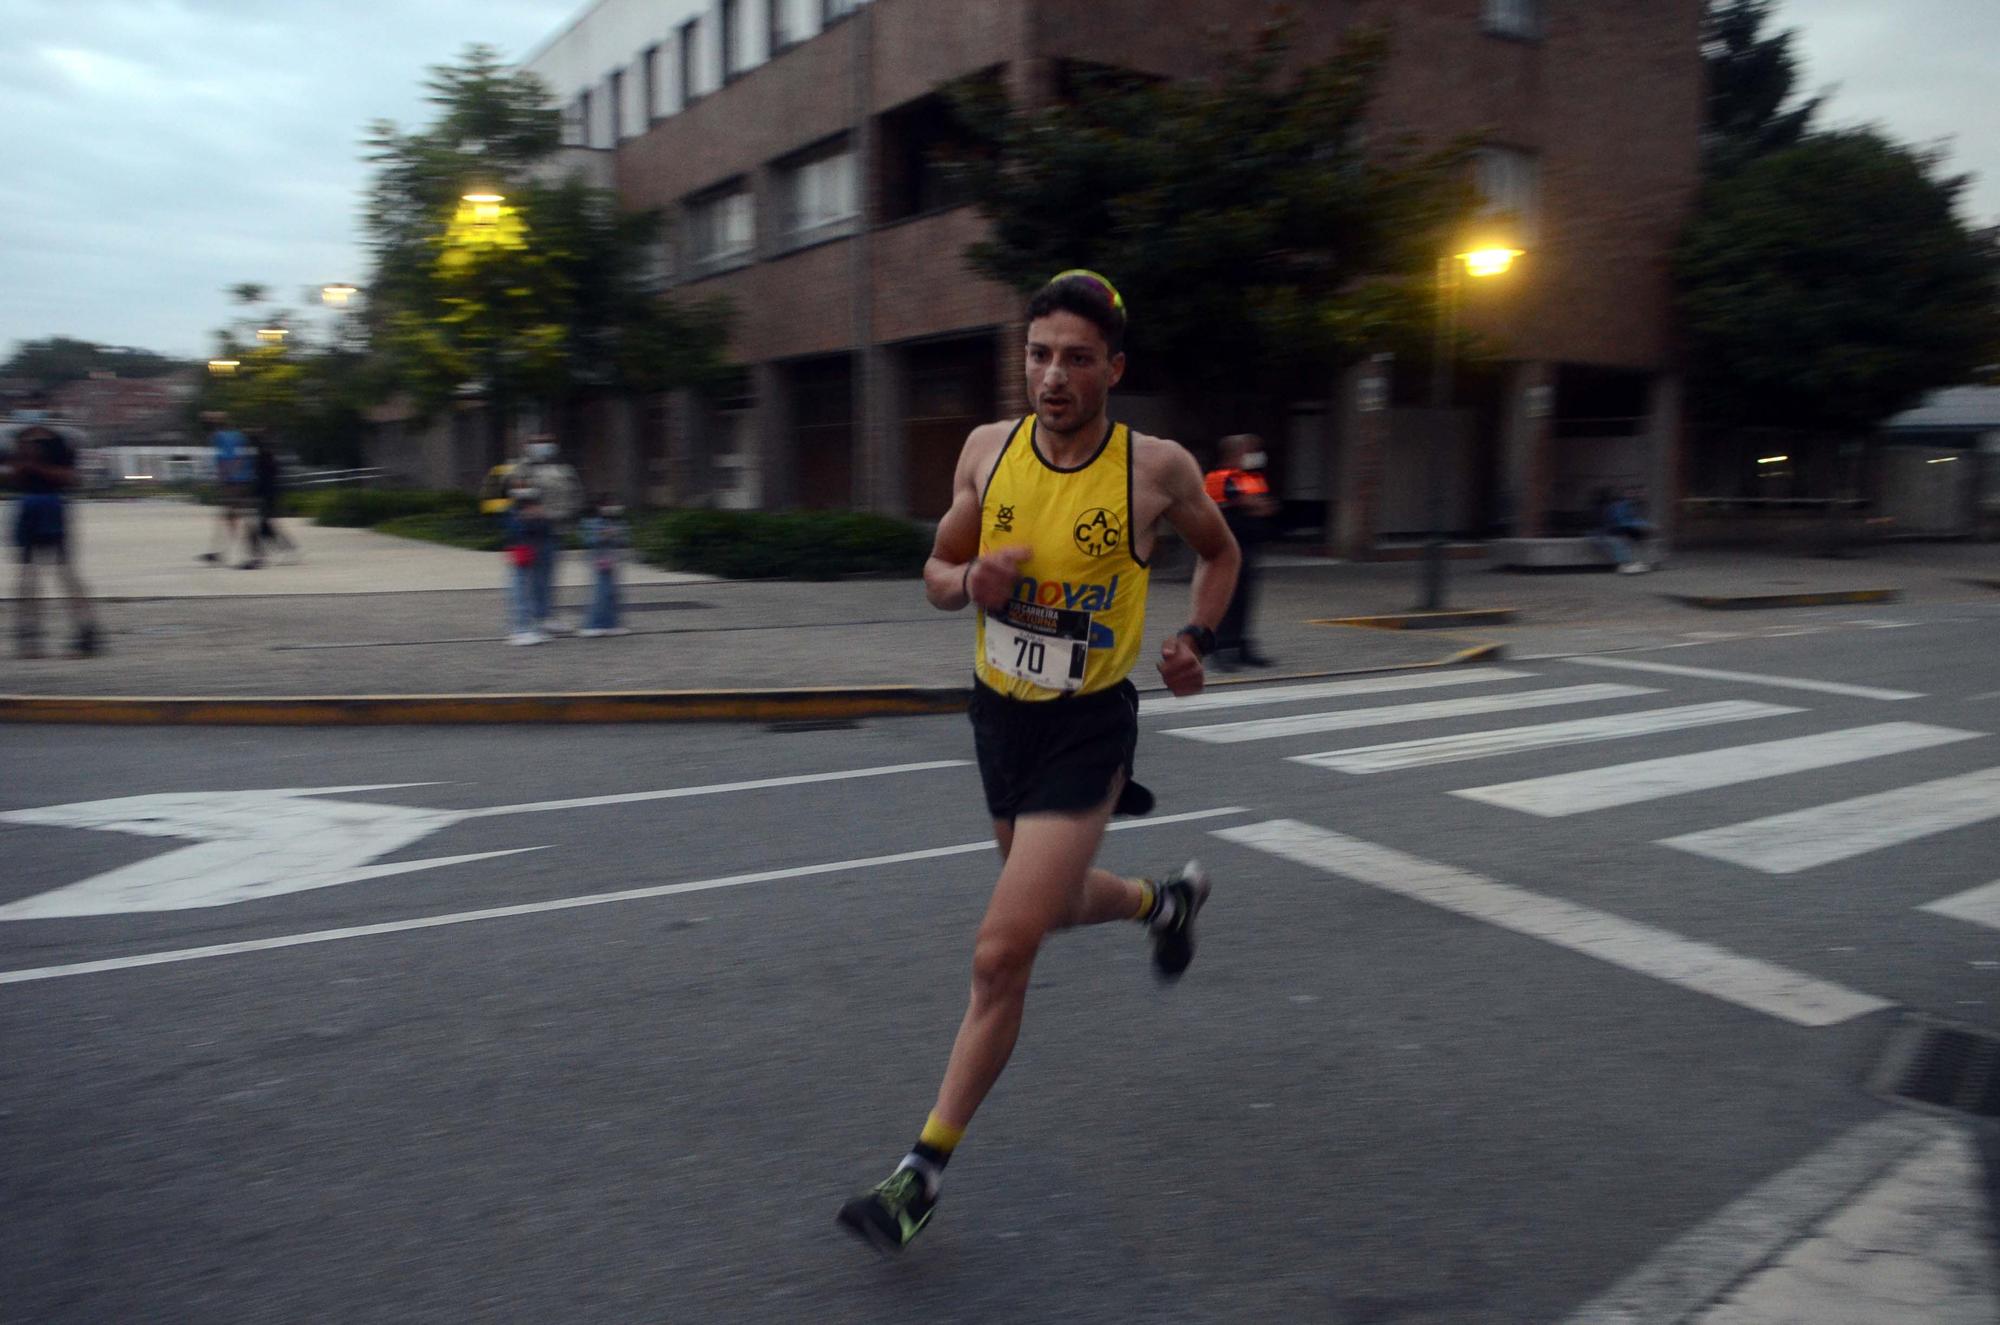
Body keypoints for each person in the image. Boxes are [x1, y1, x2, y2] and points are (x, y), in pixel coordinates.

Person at [836, 270, 1241, 1254]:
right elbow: (934, 574)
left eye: (1072, 357)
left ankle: (919, 1171)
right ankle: (1163, 902)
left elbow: (1220, 555)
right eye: (1037, 354)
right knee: (1050, 906)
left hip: (1086, 724)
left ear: (1113, 368)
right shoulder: (987, 450)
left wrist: (1194, 637)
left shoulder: (1156, 469)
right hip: (997, 719)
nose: (1050, 375)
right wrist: (964, 578)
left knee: (999, 951)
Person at [8, 423, 101, 658]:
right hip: (42, 505)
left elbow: (68, 478)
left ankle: (78, 631)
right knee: (37, 572)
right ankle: (36, 633)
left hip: (43, 505)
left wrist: (34, 466)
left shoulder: (54, 444)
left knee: (45, 572)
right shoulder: (53, 441)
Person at [1204, 433, 1280, 667]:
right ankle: (1217, 651)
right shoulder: (1220, 477)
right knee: (1225, 603)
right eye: (1250, 450)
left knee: (1244, 601)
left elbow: (1266, 506)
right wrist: (1254, 506)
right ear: (1234, 453)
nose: (1255, 454)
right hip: (1226, 550)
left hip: (1248, 548)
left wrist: (1255, 506)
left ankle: (1240, 647)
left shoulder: (1248, 478)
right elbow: (1249, 504)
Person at [510, 436, 583, 634]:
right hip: (533, 531)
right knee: (531, 578)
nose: (544, 446)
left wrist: (569, 515)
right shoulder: (523, 468)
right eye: (538, 442)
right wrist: (532, 512)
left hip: (556, 529)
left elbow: (575, 494)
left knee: (549, 576)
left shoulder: (562, 468)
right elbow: (518, 496)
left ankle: (547, 616)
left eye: (547, 442)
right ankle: (530, 619)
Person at [502, 485, 555, 645]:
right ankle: (520, 630)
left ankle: (531, 628)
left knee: (532, 589)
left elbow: (543, 530)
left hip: (531, 553)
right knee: (520, 590)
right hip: (521, 553)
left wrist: (536, 518)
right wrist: (526, 518)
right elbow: (514, 532)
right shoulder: (513, 512)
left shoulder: (531, 511)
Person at [198, 413, 252, 565]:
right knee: (228, 514)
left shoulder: (221, 438)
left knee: (231, 514)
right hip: (241, 479)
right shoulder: (236, 435)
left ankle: (232, 550)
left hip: (233, 481)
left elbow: (230, 459)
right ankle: (221, 550)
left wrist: (226, 478)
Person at [241, 430, 298, 569]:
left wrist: (252, 493)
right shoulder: (266, 457)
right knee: (264, 526)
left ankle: (260, 555)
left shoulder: (262, 458)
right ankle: (286, 549)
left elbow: (263, 480)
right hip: (270, 495)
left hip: (267, 496)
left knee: (258, 526)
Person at [578, 494, 629, 637]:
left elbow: (625, 540)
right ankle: (592, 624)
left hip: (613, 561)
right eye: (608, 505)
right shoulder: (592, 522)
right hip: (598, 561)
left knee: (612, 594)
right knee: (600, 594)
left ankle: (611, 623)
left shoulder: (618, 522)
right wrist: (602, 535)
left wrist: (616, 534)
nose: (612, 508)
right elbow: (588, 541)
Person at [1593, 486, 1659, 574]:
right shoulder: (1619, 506)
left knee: (1638, 538)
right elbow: (1621, 521)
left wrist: (1645, 525)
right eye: (1630, 494)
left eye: (1633, 494)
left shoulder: (1631, 505)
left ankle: (1635, 563)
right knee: (1620, 541)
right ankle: (1625, 564)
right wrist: (1643, 525)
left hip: (1622, 531)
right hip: (1614, 531)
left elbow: (1633, 519)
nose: (1632, 496)